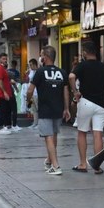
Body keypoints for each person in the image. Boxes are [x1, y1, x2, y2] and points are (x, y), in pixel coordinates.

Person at [68, 41, 104, 173]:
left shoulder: (82, 65)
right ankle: (97, 166)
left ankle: (83, 164)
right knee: (98, 133)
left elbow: (71, 76)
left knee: (82, 132)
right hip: (101, 104)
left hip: (86, 102)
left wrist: (75, 92)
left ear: (85, 53)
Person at [27, 45, 70, 175]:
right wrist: (67, 108)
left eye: (41, 55)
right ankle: (49, 160)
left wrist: (28, 100)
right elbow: (66, 91)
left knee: (48, 137)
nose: (40, 57)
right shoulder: (62, 72)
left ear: (45, 57)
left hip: (45, 109)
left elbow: (30, 90)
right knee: (53, 135)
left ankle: (56, 166)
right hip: (58, 109)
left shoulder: (40, 72)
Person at [0, 53, 14, 134]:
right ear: (0, 59)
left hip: (6, 92)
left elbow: (4, 80)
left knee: (7, 109)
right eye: (3, 59)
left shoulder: (3, 68)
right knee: (3, 110)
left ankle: (8, 126)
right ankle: (1, 127)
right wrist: (4, 92)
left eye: (6, 59)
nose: (5, 60)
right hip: (1, 93)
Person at [7, 60, 21, 131]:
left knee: (8, 110)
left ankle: (8, 125)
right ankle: (14, 125)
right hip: (11, 93)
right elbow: (15, 82)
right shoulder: (15, 72)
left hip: (6, 94)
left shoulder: (7, 71)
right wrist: (17, 89)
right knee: (14, 109)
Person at [25, 58, 39, 129]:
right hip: (31, 93)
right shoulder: (31, 71)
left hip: (37, 93)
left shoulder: (38, 72)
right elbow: (28, 80)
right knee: (34, 109)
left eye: (31, 65)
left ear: (34, 64)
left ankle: (39, 124)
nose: (30, 66)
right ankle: (35, 123)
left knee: (38, 108)